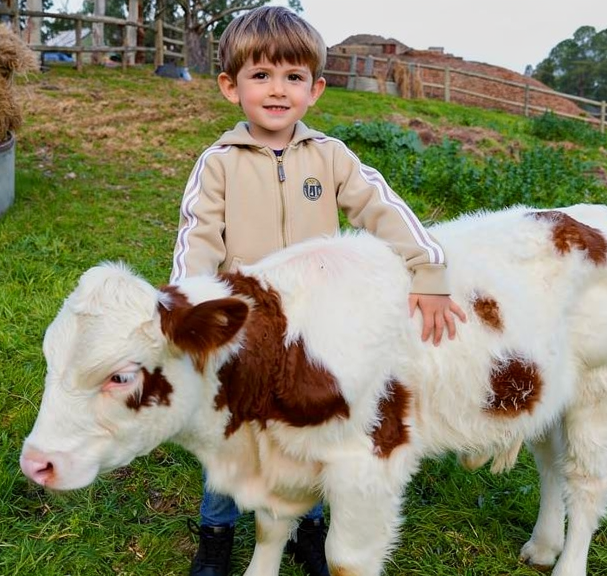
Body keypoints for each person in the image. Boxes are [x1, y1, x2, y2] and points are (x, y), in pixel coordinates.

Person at [169, 6, 466, 576]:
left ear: (316, 89)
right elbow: (197, 238)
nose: (277, 91)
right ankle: (215, 534)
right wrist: (192, 306)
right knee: (238, 435)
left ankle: (308, 527)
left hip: (316, 328)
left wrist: (428, 271)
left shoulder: (331, 157)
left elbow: (384, 210)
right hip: (249, 332)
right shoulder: (218, 164)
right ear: (231, 87)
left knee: (312, 427)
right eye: (261, 76)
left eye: (293, 77)